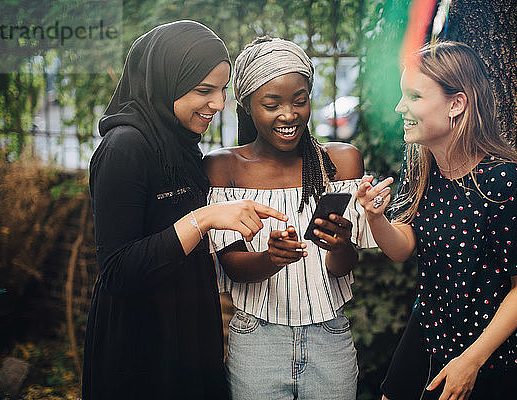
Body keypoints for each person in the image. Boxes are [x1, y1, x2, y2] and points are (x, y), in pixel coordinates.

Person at [82, 22, 287, 400]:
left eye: (223, 89)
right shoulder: (125, 149)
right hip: (140, 349)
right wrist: (204, 219)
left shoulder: (182, 145)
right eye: (203, 90)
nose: (219, 103)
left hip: (189, 332)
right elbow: (118, 271)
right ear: (166, 82)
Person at [356, 41, 517, 400]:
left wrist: (470, 361)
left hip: (490, 354)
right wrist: (376, 218)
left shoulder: (505, 181)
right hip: (426, 332)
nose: (400, 108)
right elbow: (403, 247)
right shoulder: (424, 166)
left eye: (414, 96)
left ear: (457, 103)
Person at [205, 37, 376, 400]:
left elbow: (345, 267)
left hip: (329, 336)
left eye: (300, 101)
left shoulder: (340, 162)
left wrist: (341, 244)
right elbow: (233, 266)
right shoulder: (224, 167)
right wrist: (271, 258)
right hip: (257, 340)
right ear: (247, 105)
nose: (289, 114)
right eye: (272, 104)